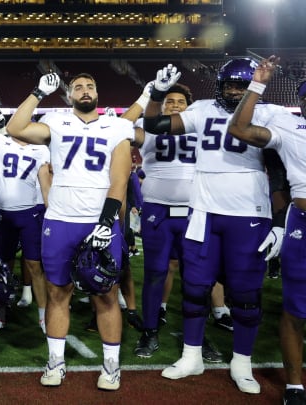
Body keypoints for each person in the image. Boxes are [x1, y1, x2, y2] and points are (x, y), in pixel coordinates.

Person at [142, 60, 288, 394]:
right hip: (204, 211)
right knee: (194, 286)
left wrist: (279, 224)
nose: (235, 91)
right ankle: (192, 356)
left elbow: (278, 173)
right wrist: (159, 92)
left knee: (246, 293)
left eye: (241, 85)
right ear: (219, 86)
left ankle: (242, 362)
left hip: (248, 213)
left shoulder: (268, 113)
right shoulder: (202, 109)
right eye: (230, 85)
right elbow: (153, 123)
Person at [6, 72, 134, 391]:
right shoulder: (58, 122)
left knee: (106, 295)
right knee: (57, 292)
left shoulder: (116, 126)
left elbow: (119, 178)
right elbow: (15, 127)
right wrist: (37, 92)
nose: (85, 90)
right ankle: (56, 362)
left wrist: (106, 222)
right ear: (69, 96)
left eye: (90, 86)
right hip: (60, 220)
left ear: (97, 92)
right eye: (78, 87)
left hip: (98, 221)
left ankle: (111, 366)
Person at [121, 83, 225, 362]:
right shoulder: (149, 127)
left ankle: (198, 336)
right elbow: (117, 128)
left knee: (197, 278)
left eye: (180, 101)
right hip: (158, 211)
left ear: (188, 107)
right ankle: (150, 331)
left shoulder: (200, 127)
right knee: (155, 273)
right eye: (169, 101)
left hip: (195, 210)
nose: (175, 105)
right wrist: (148, 99)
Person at [227, 55, 306, 405]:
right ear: (301, 102)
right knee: (295, 312)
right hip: (303, 226)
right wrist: (257, 83)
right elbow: (239, 129)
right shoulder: (290, 128)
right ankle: (294, 386)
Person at [0, 98, 51, 335]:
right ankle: (0, 316)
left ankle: (43, 316)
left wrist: (51, 216)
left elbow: (45, 185)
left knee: (35, 266)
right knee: (2, 267)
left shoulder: (41, 149)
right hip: (4, 216)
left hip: (30, 214)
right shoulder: (0, 141)